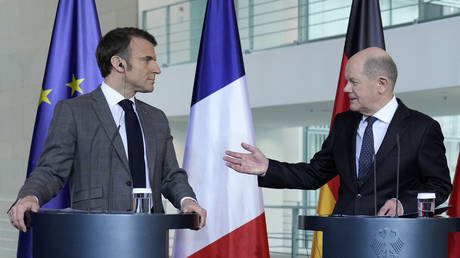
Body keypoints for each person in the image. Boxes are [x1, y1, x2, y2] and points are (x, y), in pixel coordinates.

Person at [8, 27, 206, 232]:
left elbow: (171, 175)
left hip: (151, 237)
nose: (157, 69)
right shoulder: (74, 111)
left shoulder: (157, 118)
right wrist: (30, 196)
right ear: (119, 63)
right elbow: (51, 170)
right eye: (147, 60)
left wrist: (187, 200)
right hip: (97, 236)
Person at [224, 47, 452, 216]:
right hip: (343, 238)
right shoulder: (344, 123)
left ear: (381, 84)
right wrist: (267, 168)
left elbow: (439, 186)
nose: (346, 89)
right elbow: (314, 174)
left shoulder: (422, 128)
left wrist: (404, 204)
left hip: (394, 242)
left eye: (353, 82)